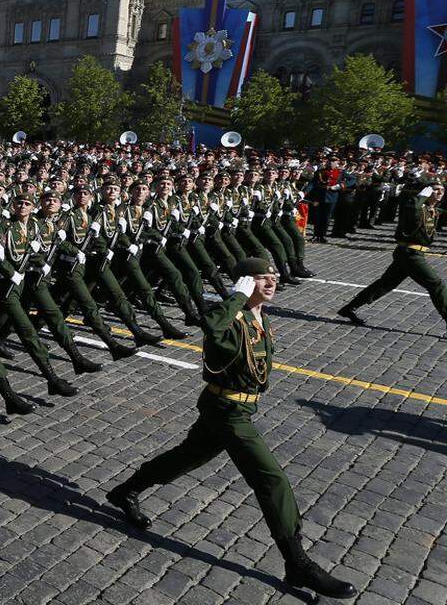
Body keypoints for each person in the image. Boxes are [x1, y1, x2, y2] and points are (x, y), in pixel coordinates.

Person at [106, 258, 356, 599]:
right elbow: (210, 326)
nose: (270, 284)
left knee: (187, 457)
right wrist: (236, 297)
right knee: (271, 479)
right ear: (243, 284)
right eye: (261, 279)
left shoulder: (259, 316)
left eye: (273, 278)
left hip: (236, 406)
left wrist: (247, 299)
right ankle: (297, 563)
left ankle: (126, 490)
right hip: (227, 411)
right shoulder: (231, 314)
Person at [339, 177, 447, 329]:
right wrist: (421, 195)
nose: (439, 193)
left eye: (442, 190)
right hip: (410, 254)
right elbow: (412, 211)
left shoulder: (433, 210)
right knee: (437, 285)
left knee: (385, 284)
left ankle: (348, 309)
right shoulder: (414, 205)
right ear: (426, 191)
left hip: (413, 254)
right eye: (435, 190)